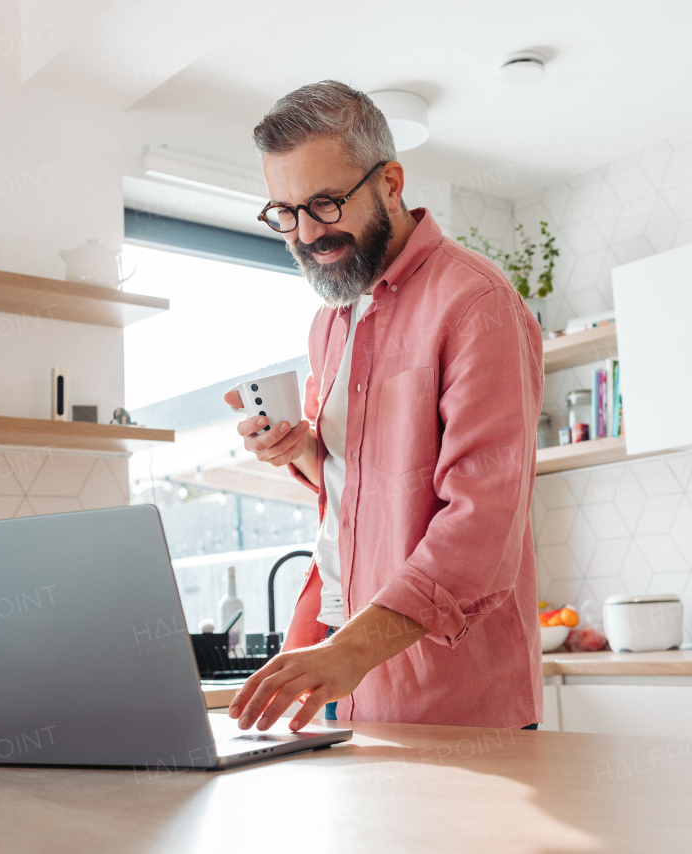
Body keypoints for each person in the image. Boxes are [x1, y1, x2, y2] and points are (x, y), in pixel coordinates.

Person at [224, 81, 543, 733]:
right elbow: (360, 492)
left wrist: (349, 653)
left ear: (391, 183)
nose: (307, 234)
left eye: (325, 203)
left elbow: (481, 523)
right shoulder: (331, 323)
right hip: (337, 681)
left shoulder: (477, 304)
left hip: (449, 702)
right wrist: (305, 452)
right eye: (284, 212)